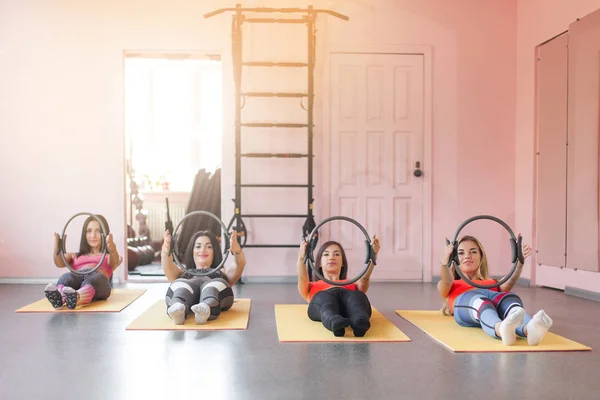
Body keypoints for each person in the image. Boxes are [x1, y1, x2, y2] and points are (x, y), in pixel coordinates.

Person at [437, 235, 553, 346]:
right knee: (479, 301)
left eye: (473, 252)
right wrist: (444, 262)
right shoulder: (452, 284)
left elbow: (510, 281)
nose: (467, 256)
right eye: (461, 253)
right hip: (467, 307)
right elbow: (446, 281)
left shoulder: (493, 282)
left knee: (509, 298)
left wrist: (519, 264)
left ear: (481, 257)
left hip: (491, 304)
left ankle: (529, 329)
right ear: (454, 258)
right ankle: (501, 329)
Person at [296, 236, 380, 337]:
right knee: (324, 299)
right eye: (326, 254)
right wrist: (302, 257)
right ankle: (335, 322)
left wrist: (373, 256)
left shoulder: (353, 284)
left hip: (348, 305)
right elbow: (302, 277)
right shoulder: (311, 286)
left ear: (343, 262)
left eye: (336, 254)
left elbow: (365, 279)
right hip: (323, 302)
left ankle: (360, 321)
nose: (332, 257)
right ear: (319, 264)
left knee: (357, 296)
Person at [161, 229, 245, 325]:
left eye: (209, 246)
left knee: (215, 286)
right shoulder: (182, 273)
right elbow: (167, 266)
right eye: (198, 246)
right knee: (179, 285)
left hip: (214, 288)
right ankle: (178, 308)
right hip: (187, 290)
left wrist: (237, 251)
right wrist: (166, 250)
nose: (202, 250)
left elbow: (239, 265)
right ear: (192, 250)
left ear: (215, 251)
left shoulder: (221, 272)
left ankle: (206, 308)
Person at [45, 215, 122, 309]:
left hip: (99, 283)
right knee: (66, 278)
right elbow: (59, 263)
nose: (93, 235)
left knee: (96, 279)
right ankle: (60, 298)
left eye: (98, 231)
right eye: (89, 231)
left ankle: (77, 296)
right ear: (84, 234)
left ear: (104, 234)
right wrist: (57, 247)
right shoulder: (74, 256)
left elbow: (115, 261)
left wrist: (112, 249)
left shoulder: (108, 256)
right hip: (77, 279)